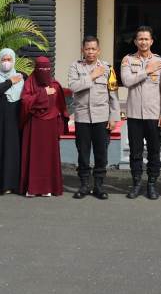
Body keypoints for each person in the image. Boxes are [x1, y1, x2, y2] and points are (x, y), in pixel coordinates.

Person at [120, 26, 161, 200]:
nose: (143, 42)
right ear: (135, 41)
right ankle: (136, 184)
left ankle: (151, 184)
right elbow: (127, 81)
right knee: (135, 152)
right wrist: (147, 70)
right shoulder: (128, 60)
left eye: (146, 39)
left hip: (153, 115)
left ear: (151, 41)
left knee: (154, 152)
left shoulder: (160, 62)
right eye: (140, 39)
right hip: (134, 115)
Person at [67, 36, 120, 200]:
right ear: (82, 50)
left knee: (101, 153)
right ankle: (84, 185)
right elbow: (73, 86)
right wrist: (92, 76)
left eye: (93, 49)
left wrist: (113, 117)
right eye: (87, 49)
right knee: (83, 153)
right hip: (82, 117)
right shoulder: (75, 67)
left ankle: (98, 186)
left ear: (99, 50)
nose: (90, 52)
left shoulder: (108, 68)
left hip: (102, 118)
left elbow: (113, 94)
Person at [20, 56, 67, 197]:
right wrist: (43, 93)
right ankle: (32, 188)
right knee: (34, 156)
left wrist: (59, 123)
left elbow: (60, 106)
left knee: (49, 157)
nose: (44, 71)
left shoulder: (55, 85)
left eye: (47, 68)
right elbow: (25, 102)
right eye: (41, 68)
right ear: (36, 68)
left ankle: (48, 187)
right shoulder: (29, 83)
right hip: (33, 125)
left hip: (50, 126)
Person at [0, 48, 24, 195]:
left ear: (13, 60)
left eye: (9, 59)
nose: (6, 62)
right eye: (3, 59)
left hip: (14, 121)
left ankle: (11, 184)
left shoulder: (21, 77)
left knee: (11, 151)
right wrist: (9, 82)